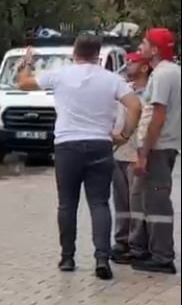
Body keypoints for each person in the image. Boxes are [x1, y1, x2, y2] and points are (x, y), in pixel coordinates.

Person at [16, 33, 142, 279]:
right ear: (98, 54)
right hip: (99, 144)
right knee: (100, 203)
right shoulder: (111, 80)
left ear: (75, 51)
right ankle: (102, 259)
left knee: (67, 204)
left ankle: (67, 258)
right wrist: (124, 135)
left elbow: (23, 82)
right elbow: (135, 106)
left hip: (67, 146)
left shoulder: (61, 75)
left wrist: (27, 61)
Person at [129, 28, 179, 274]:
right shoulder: (172, 72)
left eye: (145, 43)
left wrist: (144, 153)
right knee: (144, 198)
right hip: (162, 146)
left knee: (157, 201)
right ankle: (143, 248)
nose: (141, 47)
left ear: (156, 50)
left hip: (158, 148)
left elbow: (157, 116)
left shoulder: (161, 75)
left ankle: (162, 256)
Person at [110, 52, 151, 262]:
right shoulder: (124, 91)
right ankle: (121, 240)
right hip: (119, 152)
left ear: (144, 67)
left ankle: (138, 245)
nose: (128, 64)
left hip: (136, 153)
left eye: (133, 61)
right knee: (121, 202)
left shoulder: (149, 93)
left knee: (138, 203)